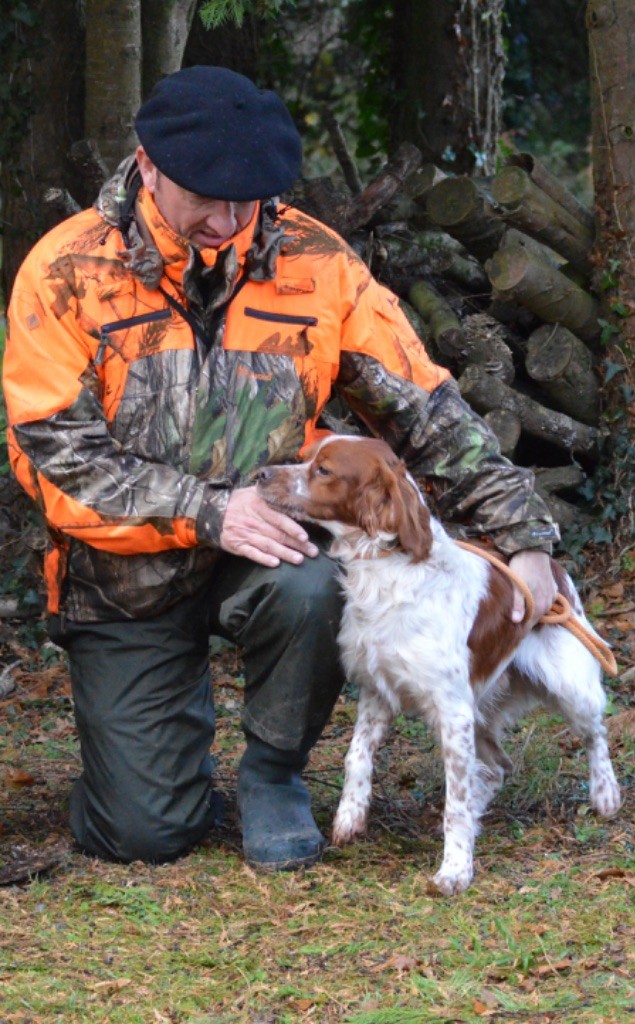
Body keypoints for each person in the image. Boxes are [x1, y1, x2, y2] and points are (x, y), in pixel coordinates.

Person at [3, 66, 559, 870]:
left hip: (269, 553)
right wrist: (208, 509)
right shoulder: (64, 273)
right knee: (145, 833)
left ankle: (272, 771)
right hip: (121, 577)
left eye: (249, 200)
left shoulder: (316, 265)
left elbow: (424, 408)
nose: (227, 220)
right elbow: (54, 458)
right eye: (206, 196)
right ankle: (143, 763)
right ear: (148, 164)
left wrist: (525, 533)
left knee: (313, 583)